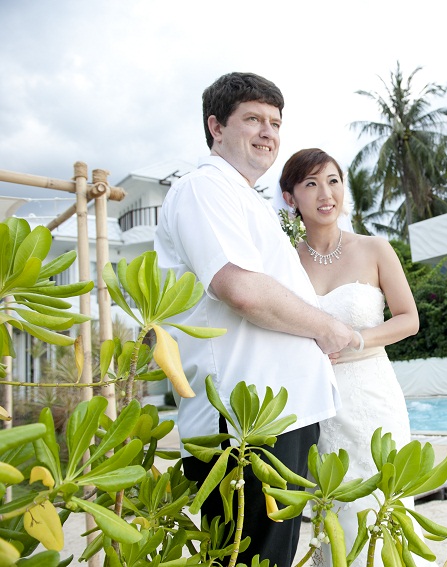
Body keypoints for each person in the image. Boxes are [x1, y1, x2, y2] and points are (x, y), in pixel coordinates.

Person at [154, 73, 355, 567]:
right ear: (216, 127)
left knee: (272, 557)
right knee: (251, 559)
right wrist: (326, 329)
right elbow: (239, 288)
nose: (268, 132)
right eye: (253, 119)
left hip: (279, 413)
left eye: (275, 123)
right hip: (245, 422)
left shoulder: (246, 197)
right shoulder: (204, 188)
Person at [279, 148, 423, 567]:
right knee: (335, 512)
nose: (325, 194)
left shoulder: (375, 249)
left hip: (373, 396)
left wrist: (357, 339)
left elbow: (409, 319)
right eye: (311, 184)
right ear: (290, 198)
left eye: (333, 181)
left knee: (382, 505)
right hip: (317, 403)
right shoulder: (285, 262)